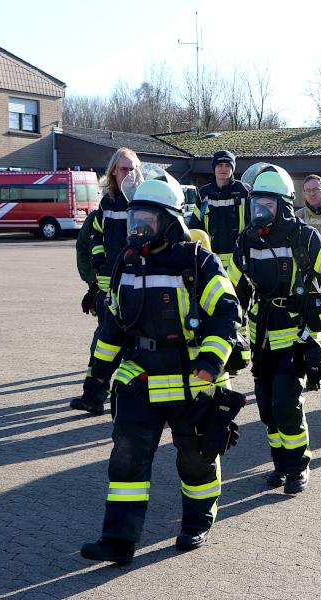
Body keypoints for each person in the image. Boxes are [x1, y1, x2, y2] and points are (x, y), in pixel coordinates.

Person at [79, 170, 244, 564]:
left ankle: (196, 522)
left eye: (146, 221)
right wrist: (94, 382)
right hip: (141, 378)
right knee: (127, 458)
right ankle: (118, 541)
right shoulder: (128, 262)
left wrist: (209, 364)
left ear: (170, 221)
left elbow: (227, 313)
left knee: (196, 459)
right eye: (135, 220)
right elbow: (113, 327)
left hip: (193, 381)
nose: (137, 229)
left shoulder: (197, 261)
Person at [228, 165, 321, 493]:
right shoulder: (245, 241)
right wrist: (225, 329)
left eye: (268, 205)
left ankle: (299, 465)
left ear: (283, 207)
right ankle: (280, 464)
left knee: (287, 403)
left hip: (296, 334)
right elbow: (231, 290)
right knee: (268, 409)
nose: (260, 211)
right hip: (260, 338)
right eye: (257, 203)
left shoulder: (304, 238)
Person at [71, 148, 141, 415]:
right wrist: (98, 268)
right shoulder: (107, 203)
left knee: (132, 345)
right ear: (113, 171)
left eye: (132, 169)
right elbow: (96, 237)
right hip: (108, 286)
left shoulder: (143, 199)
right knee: (103, 342)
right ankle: (94, 396)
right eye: (124, 169)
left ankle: (128, 400)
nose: (128, 174)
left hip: (137, 286)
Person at [295, 174, 321, 389]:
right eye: (308, 190)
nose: (312, 193)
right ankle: (312, 373)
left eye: (316, 189)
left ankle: (319, 369)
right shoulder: (297, 216)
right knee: (307, 330)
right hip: (307, 283)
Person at [189, 149, 251, 272]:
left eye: (227, 165)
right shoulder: (203, 193)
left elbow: (251, 222)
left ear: (233, 168)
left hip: (239, 258)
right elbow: (196, 226)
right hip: (211, 260)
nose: (223, 169)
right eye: (219, 165)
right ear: (214, 168)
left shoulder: (244, 191)